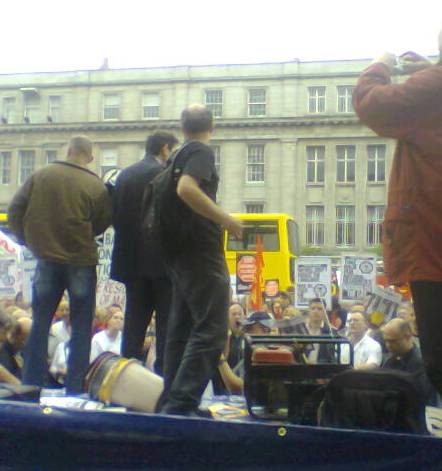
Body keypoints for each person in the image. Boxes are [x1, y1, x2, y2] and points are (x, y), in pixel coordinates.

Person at [353, 30, 442, 396]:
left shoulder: (432, 87)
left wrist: (381, 64)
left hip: (432, 242)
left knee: (437, 355)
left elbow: (370, 102)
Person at [8, 135, 112, 394]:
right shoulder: (95, 184)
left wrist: (26, 240)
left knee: (40, 321)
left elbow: (15, 210)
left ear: (69, 150)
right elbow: (101, 223)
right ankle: (75, 388)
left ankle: (31, 384)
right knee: (80, 327)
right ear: (89, 156)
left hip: (46, 258)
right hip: (81, 259)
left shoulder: (40, 175)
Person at [158, 104, 243, 417]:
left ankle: (171, 399)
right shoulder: (201, 153)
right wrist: (227, 220)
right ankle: (182, 404)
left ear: (182, 127)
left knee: (180, 329)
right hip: (200, 251)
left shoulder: (175, 156)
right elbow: (186, 189)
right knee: (212, 328)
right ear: (213, 126)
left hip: (178, 253)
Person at [111, 131, 179, 375]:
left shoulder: (125, 175)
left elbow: (115, 216)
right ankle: (163, 381)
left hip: (131, 262)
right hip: (162, 264)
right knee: (166, 328)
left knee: (133, 324)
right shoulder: (167, 174)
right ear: (164, 148)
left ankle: (124, 379)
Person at [382, 318, 436, 405]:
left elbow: (423, 398)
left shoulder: (422, 364)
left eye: (393, 341)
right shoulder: (389, 361)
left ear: (408, 337)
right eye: (386, 341)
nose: (388, 346)